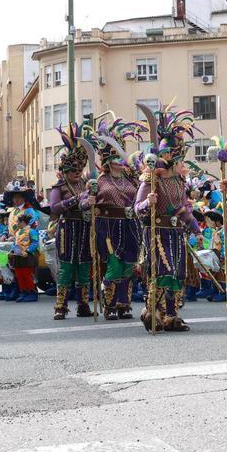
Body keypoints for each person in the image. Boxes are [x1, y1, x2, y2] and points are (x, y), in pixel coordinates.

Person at [136, 106, 203, 332]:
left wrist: (196, 229)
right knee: (163, 271)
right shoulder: (150, 179)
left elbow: (184, 209)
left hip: (176, 233)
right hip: (156, 231)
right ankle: (152, 310)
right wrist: (148, 203)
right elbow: (137, 208)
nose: (182, 163)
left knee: (177, 273)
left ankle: (172, 316)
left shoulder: (179, 181)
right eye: (180, 159)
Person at [90, 119, 145, 319]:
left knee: (129, 265)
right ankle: (109, 304)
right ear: (107, 160)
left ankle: (123, 304)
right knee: (114, 265)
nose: (119, 162)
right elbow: (85, 202)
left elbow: (141, 195)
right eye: (114, 158)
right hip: (108, 227)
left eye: (120, 157)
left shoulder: (131, 179)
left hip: (130, 225)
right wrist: (88, 200)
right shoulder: (99, 180)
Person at [48, 126, 97, 320]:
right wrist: (76, 199)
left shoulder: (86, 184)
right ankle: (61, 306)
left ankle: (83, 305)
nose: (77, 172)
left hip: (84, 228)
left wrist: (91, 202)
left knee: (84, 266)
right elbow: (54, 208)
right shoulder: (59, 187)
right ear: (65, 170)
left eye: (79, 169)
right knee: (67, 267)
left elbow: (89, 203)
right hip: (67, 229)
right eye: (73, 169)